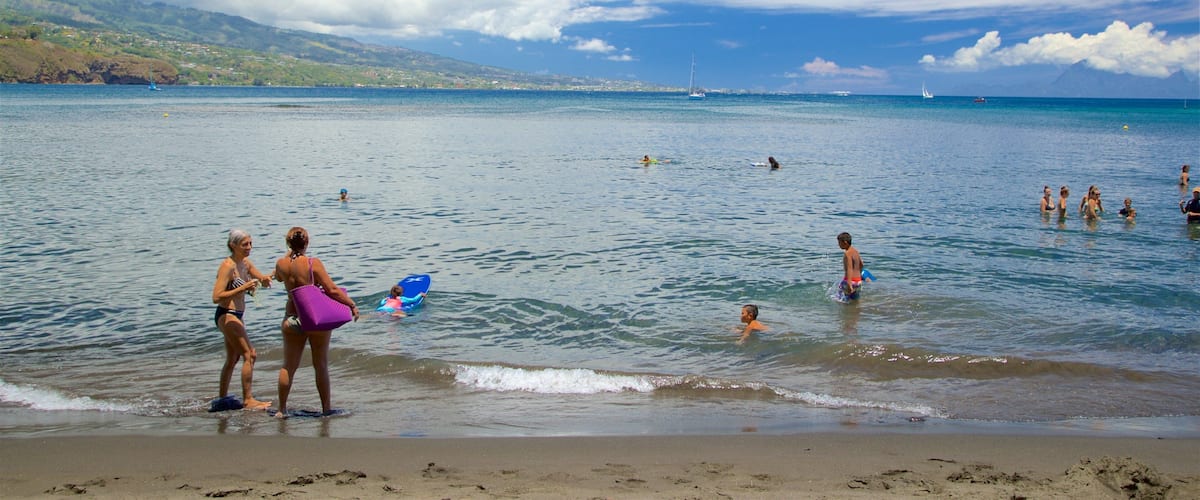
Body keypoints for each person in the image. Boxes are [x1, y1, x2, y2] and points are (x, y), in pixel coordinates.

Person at [272, 227, 359, 418]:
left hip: (291, 318)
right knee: (320, 365)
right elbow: (332, 290)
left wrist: (289, 253)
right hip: (314, 319)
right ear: (307, 242)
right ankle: (326, 409)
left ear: (288, 243)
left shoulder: (281, 264)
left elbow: (277, 277)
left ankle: (281, 410)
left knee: (288, 366)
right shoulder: (313, 263)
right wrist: (351, 304)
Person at [210, 229, 272, 411]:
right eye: (245, 244)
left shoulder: (245, 263)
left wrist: (268, 279)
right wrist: (243, 288)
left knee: (233, 357)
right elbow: (216, 297)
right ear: (233, 245)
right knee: (250, 354)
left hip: (237, 315)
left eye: (250, 243)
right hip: (226, 314)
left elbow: (261, 278)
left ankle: (222, 399)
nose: (249, 247)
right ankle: (248, 400)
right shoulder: (228, 266)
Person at [837, 232, 865, 301]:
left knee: (840, 299)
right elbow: (861, 264)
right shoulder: (856, 251)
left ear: (845, 242)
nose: (838, 245)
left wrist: (849, 284)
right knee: (855, 300)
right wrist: (859, 276)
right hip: (858, 281)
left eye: (839, 242)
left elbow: (849, 269)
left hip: (850, 281)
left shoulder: (847, 253)